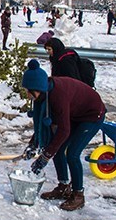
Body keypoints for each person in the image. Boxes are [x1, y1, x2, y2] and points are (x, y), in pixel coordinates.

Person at [22, 60, 106, 211]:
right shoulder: (43, 95)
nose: (27, 94)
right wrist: (33, 144)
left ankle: (78, 195)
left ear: (38, 88)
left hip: (92, 115)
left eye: (29, 90)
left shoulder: (58, 97)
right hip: (75, 114)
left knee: (72, 154)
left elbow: (63, 131)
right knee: (59, 150)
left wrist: (45, 156)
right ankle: (63, 186)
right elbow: (42, 123)